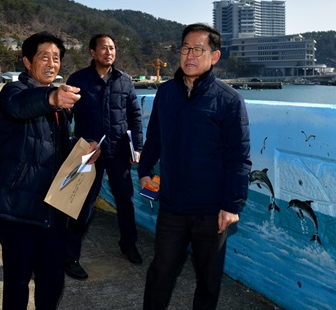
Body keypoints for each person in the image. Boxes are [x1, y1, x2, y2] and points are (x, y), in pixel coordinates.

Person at [138, 23, 252, 310]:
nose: (190, 55)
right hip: (172, 206)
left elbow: (239, 157)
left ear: (214, 56)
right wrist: (145, 171)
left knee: (208, 281)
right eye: (186, 48)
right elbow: (155, 137)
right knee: (160, 273)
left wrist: (232, 205)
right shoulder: (166, 93)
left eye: (198, 49)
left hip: (211, 211)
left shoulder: (229, 100)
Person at [0, 32, 99, 310]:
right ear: (27, 62)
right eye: (44, 57)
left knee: (52, 280)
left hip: (53, 207)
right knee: (17, 282)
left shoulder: (60, 105)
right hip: (18, 208)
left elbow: (58, 146)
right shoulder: (14, 92)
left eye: (56, 58)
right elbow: (20, 107)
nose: (52, 64)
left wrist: (85, 149)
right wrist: (52, 97)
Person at [64, 33, 144, 280]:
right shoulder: (78, 80)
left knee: (125, 201)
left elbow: (135, 116)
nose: (109, 52)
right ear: (92, 52)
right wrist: (75, 145)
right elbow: (65, 118)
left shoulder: (125, 80)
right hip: (90, 154)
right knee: (83, 205)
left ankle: (128, 245)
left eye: (112, 48)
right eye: (103, 48)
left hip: (118, 152)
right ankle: (70, 256)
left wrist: (137, 147)